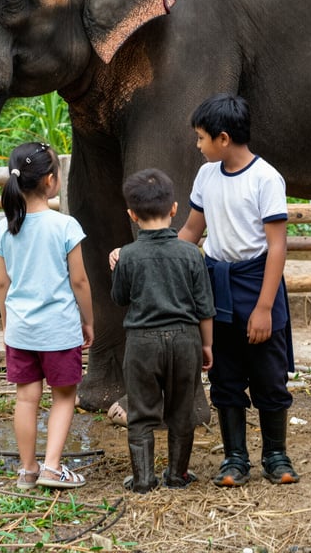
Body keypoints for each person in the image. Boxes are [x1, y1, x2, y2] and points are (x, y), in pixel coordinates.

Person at [177, 93, 299, 487]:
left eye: (201, 138)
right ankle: (235, 459)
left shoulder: (267, 178)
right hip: (218, 287)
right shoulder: (206, 177)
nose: (198, 146)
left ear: (223, 138)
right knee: (225, 375)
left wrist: (265, 308)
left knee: (269, 374)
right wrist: (155, 254)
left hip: (257, 282)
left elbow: (277, 246)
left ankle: (276, 456)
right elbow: (192, 232)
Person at [0, 142, 95, 491]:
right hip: (58, 330)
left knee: (26, 398)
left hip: (21, 330)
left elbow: (3, 284)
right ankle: (52, 467)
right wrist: (89, 320)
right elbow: (79, 281)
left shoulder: (5, 229)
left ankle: (27, 470)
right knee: (64, 396)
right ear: (51, 181)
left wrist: (7, 325)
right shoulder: (65, 226)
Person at [111, 168, 215, 493]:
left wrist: (117, 266)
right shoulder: (190, 253)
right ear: (174, 209)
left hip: (142, 343)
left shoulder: (127, 256)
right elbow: (204, 306)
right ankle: (177, 476)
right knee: (181, 411)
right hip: (186, 339)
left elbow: (119, 298)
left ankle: (143, 480)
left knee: (141, 413)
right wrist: (206, 346)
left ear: (131, 214)